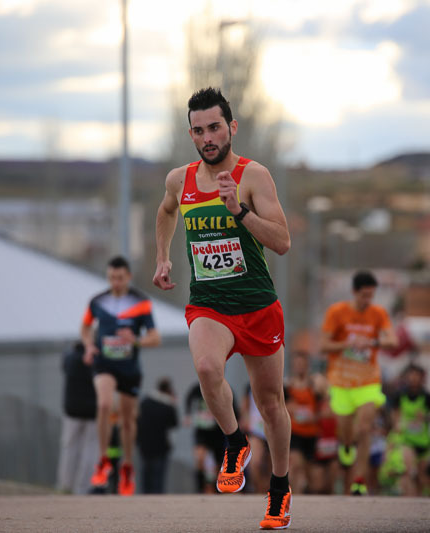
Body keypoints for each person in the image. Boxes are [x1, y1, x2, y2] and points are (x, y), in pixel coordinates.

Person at [153, 87, 292, 529]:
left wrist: (239, 212)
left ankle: (279, 489)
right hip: (209, 304)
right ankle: (234, 443)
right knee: (208, 369)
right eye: (198, 130)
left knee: (271, 404)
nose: (207, 137)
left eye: (214, 127)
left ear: (231, 127)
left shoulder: (255, 176)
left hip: (256, 305)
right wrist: (163, 255)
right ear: (191, 135)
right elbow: (166, 211)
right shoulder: (181, 178)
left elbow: (283, 243)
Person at [82, 255, 161, 495]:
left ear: (128, 277)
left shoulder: (142, 303)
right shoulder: (97, 301)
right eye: (111, 278)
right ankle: (103, 460)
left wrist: (135, 340)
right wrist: (88, 345)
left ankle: (127, 466)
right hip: (104, 363)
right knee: (104, 403)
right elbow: (85, 327)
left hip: (129, 368)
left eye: (119, 278)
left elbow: (155, 338)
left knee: (127, 421)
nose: (115, 282)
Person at [320, 270, 397, 495]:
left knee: (364, 428)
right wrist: (349, 344)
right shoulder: (337, 312)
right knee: (346, 430)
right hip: (341, 381)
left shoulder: (378, 313)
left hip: (368, 381)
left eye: (371, 296)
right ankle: (345, 445)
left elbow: (393, 340)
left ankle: (359, 480)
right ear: (354, 292)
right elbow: (324, 345)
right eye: (364, 295)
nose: (368, 300)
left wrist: (371, 342)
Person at [390, 363, 430, 497]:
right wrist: (397, 424)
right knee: (408, 470)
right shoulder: (400, 395)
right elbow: (394, 414)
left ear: (421, 378)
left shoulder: (428, 397)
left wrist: (427, 417)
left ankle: (418, 501)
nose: (413, 378)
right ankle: (409, 498)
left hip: (424, 442)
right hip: (407, 440)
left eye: (416, 375)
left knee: (420, 475)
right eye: (411, 375)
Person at [56, 342, 99, 495]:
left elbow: (63, 367)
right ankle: (83, 487)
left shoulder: (69, 358)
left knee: (69, 447)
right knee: (90, 448)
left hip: (72, 409)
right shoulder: (97, 358)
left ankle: (65, 485)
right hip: (93, 409)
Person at [285, 352, 320, 494]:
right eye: (297, 363)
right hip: (295, 432)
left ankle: (308, 495)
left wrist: (313, 415)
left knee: (312, 475)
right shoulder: (287, 386)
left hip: (312, 433)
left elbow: (324, 408)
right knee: (296, 464)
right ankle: (294, 494)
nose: (299, 366)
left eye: (302, 363)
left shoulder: (315, 386)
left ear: (307, 365)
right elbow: (281, 407)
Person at [137, 377, 179, 494]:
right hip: (162, 445)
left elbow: (138, 422)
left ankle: (145, 496)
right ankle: (157, 498)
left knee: (146, 474)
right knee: (158, 477)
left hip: (145, 445)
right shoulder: (168, 406)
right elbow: (174, 423)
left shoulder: (145, 403)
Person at [185, 382, 226, 493]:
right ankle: (200, 488)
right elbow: (189, 399)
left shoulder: (224, 388)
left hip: (218, 431)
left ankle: (217, 489)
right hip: (202, 430)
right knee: (200, 457)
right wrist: (188, 414)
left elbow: (233, 407)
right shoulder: (197, 388)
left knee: (218, 462)